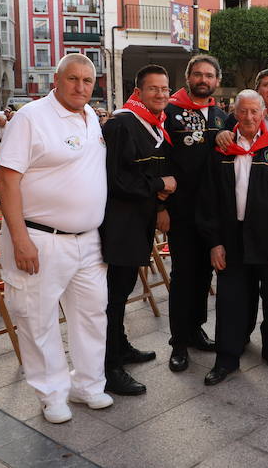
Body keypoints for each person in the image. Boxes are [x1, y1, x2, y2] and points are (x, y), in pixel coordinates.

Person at [0, 53, 112, 424]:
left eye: (88, 81)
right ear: (57, 80)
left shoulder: (91, 116)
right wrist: (20, 239)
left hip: (87, 240)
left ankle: (88, 385)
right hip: (39, 238)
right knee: (37, 318)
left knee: (92, 314)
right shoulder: (31, 118)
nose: (81, 87)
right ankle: (52, 394)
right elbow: (7, 179)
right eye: (73, 79)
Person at [199, 90, 268, 386]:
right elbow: (208, 200)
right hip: (231, 239)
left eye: (254, 112)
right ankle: (226, 359)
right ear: (234, 113)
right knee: (230, 302)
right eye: (242, 111)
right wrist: (214, 242)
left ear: (262, 114)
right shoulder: (220, 152)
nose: (248, 117)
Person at [100, 65, 175, 396]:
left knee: (123, 290)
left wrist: (158, 200)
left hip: (139, 221)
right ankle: (108, 366)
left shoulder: (154, 124)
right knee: (113, 297)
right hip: (119, 224)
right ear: (138, 91)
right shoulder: (122, 123)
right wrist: (160, 184)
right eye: (153, 89)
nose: (160, 94)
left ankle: (120, 345)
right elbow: (116, 179)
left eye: (165, 89)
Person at [163, 55, 227, 373]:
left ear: (217, 80)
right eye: (198, 74)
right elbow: (159, 160)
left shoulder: (220, 115)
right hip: (182, 212)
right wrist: (161, 207)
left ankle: (196, 329)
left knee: (204, 276)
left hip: (212, 212)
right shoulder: (169, 112)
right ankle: (178, 343)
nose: (203, 79)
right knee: (183, 277)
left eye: (209, 75)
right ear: (188, 76)